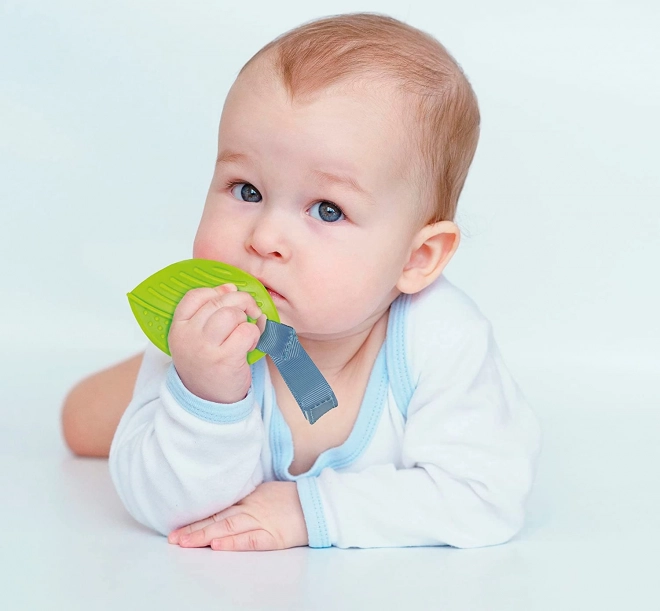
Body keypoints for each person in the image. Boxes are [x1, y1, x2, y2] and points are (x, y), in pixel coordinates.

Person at [61, 12, 542, 551]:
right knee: (81, 423)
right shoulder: (206, 333)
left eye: (328, 210)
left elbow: (485, 496)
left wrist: (311, 512)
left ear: (418, 258)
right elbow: (168, 510)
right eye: (246, 190)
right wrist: (205, 398)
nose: (265, 237)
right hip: (197, 370)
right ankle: (142, 386)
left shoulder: (443, 339)